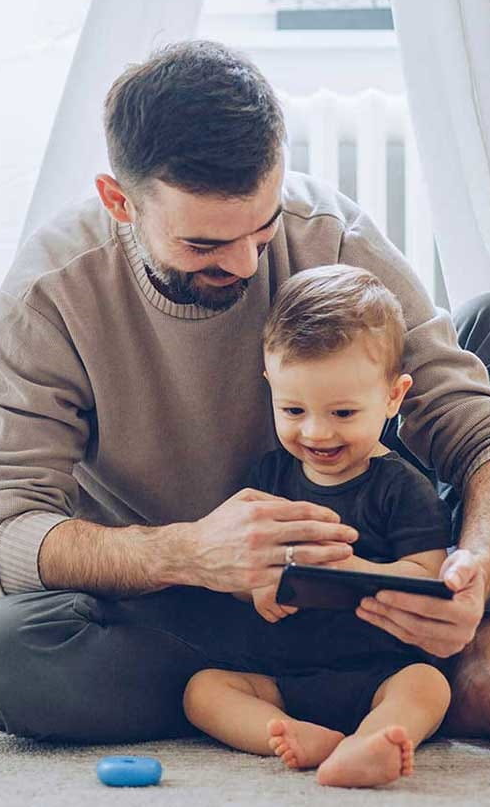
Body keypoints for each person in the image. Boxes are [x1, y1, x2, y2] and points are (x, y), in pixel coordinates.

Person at [0, 40, 490, 760]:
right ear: (120, 201)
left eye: (262, 231)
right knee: (0, 657)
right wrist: (188, 552)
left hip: (374, 591)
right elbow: (1, 528)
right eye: (205, 244)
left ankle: (480, 663)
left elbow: (485, 434)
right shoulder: (50, 294)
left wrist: (474, 571)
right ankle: (317, 691)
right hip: (195, 610)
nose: (244, 264)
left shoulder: (330, 236)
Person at [183, 264, 452, 788]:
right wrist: (254, 586)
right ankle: (294, 735)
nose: (316, 431)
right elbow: (239, 563)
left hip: (380, 670)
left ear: (393, 397)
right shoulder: (269, 477)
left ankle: (376, 738)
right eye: (293, 408)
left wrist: (358, 572)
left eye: (344, 412)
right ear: (270, 387)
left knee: (428, 687)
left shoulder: (401, 487)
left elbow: (430, 579)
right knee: (203, 690)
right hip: (283, 674)